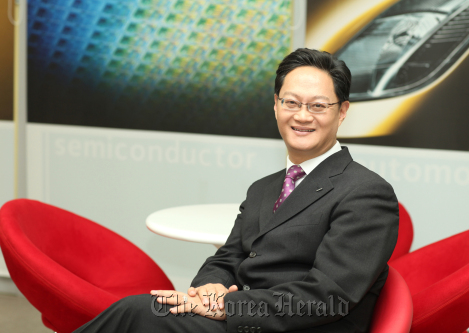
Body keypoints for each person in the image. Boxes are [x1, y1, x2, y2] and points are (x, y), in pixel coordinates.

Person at [74, 48, 399, 333]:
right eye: (291, 102)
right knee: (146, 310)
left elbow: (330, 297)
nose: (302, 116)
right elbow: (230, 256)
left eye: (317, 106)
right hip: (245, 318)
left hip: (299, 325)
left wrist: (229, 308)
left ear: (342, 112)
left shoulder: (366, 193)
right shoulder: (264, 188)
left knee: (139, 313)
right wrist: (209, 288)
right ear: (275, 105)